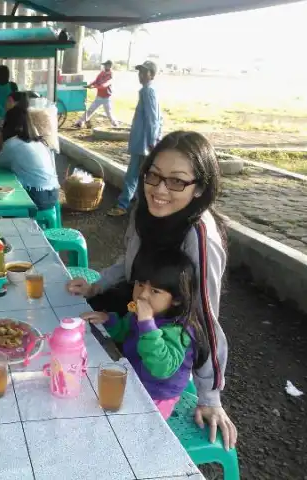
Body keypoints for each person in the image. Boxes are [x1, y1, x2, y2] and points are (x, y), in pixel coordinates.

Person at [67, 131, 238, 450]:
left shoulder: (199, 237)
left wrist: (210, 396)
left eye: (176, 182)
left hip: (171, 328)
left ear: (199, 187)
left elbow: (206, 320)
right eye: (154, 176)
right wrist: (96, 284)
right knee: (79, 317)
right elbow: (129, 264)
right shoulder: (143, 212)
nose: (159, 190)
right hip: (137, 301)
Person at [81, 248, 208, 420]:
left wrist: (147, 324)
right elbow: (124, 333)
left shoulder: (179, 331)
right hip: (133, 378)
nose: (142, 294)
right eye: (140, 284)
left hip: (156, 395)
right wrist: (108, 320)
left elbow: (161, 367)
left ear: (177, 299)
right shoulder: (139, 314)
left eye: (155, 291)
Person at [107, 60, 162, 217]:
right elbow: (158, 118)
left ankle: (123, 204)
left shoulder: (148, 91)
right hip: (144, 141)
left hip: (143, 142)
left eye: (144, 72)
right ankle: (140, 205)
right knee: (140, 174)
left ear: (151, 74)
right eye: (140, 72)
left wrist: (152, 141)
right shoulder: (149, 90)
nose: (141, 75)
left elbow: (153, 119)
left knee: (132, 175)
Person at [0, 106, 60, 210]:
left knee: (2, 197)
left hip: (38, 196)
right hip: (54, 194)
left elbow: (0, 163)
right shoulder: (39, 142)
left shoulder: (12, 143)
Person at [75, 60, 118, 128]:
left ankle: (115, 124)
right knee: (90, 110)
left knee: (109, 113)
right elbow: (96, 80)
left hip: (106, 97)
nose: (104, 66)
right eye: (104, 65)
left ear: (110, 66)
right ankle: (80, 122)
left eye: (106, 65)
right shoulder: (102, 72)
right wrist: (90, 85)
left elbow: (104, 85)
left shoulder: (110, 74)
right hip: (99, 96)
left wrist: (93, 86)